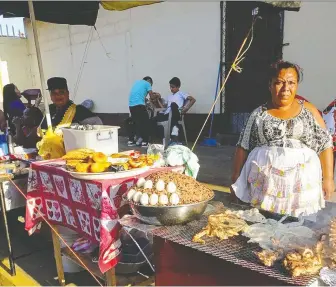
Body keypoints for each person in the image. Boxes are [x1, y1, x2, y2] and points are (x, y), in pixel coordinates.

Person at [231, 60, 334, 218]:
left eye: (291, 82)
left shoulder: (309, 110)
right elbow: (243, 146)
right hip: (265, 188)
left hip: (300, 190)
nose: (286, 88)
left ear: (297, 85)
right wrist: (236, 176)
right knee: (263, 227)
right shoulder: (258, 114)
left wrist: (328, 179)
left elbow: (325, 144)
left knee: (299, 230)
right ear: (270, 85)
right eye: (279, 82)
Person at [152, 77, 196, 144]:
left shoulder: (181, 93)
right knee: (154, 119)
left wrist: (185, 109)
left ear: (178, 87)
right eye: (170, 87)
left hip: (177, 113)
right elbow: (164, 107)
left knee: (173, 105)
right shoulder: (169, 96)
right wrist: (158, 99)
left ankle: (174, 134)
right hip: (167, 114)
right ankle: (165, 138)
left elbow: (193, 100)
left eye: (173, 87)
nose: (171, 89)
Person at [128, 76, 160, 147]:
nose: (150, 87)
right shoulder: (147, 83)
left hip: (131, 105)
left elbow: (139, 95)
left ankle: (131, 141)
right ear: (149, 81)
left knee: (135, 122)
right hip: (139, 105)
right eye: (151, 85)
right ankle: (145, 142)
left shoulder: (137, 83)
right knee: (146, 122)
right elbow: (151, 97)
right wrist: (157, 95)